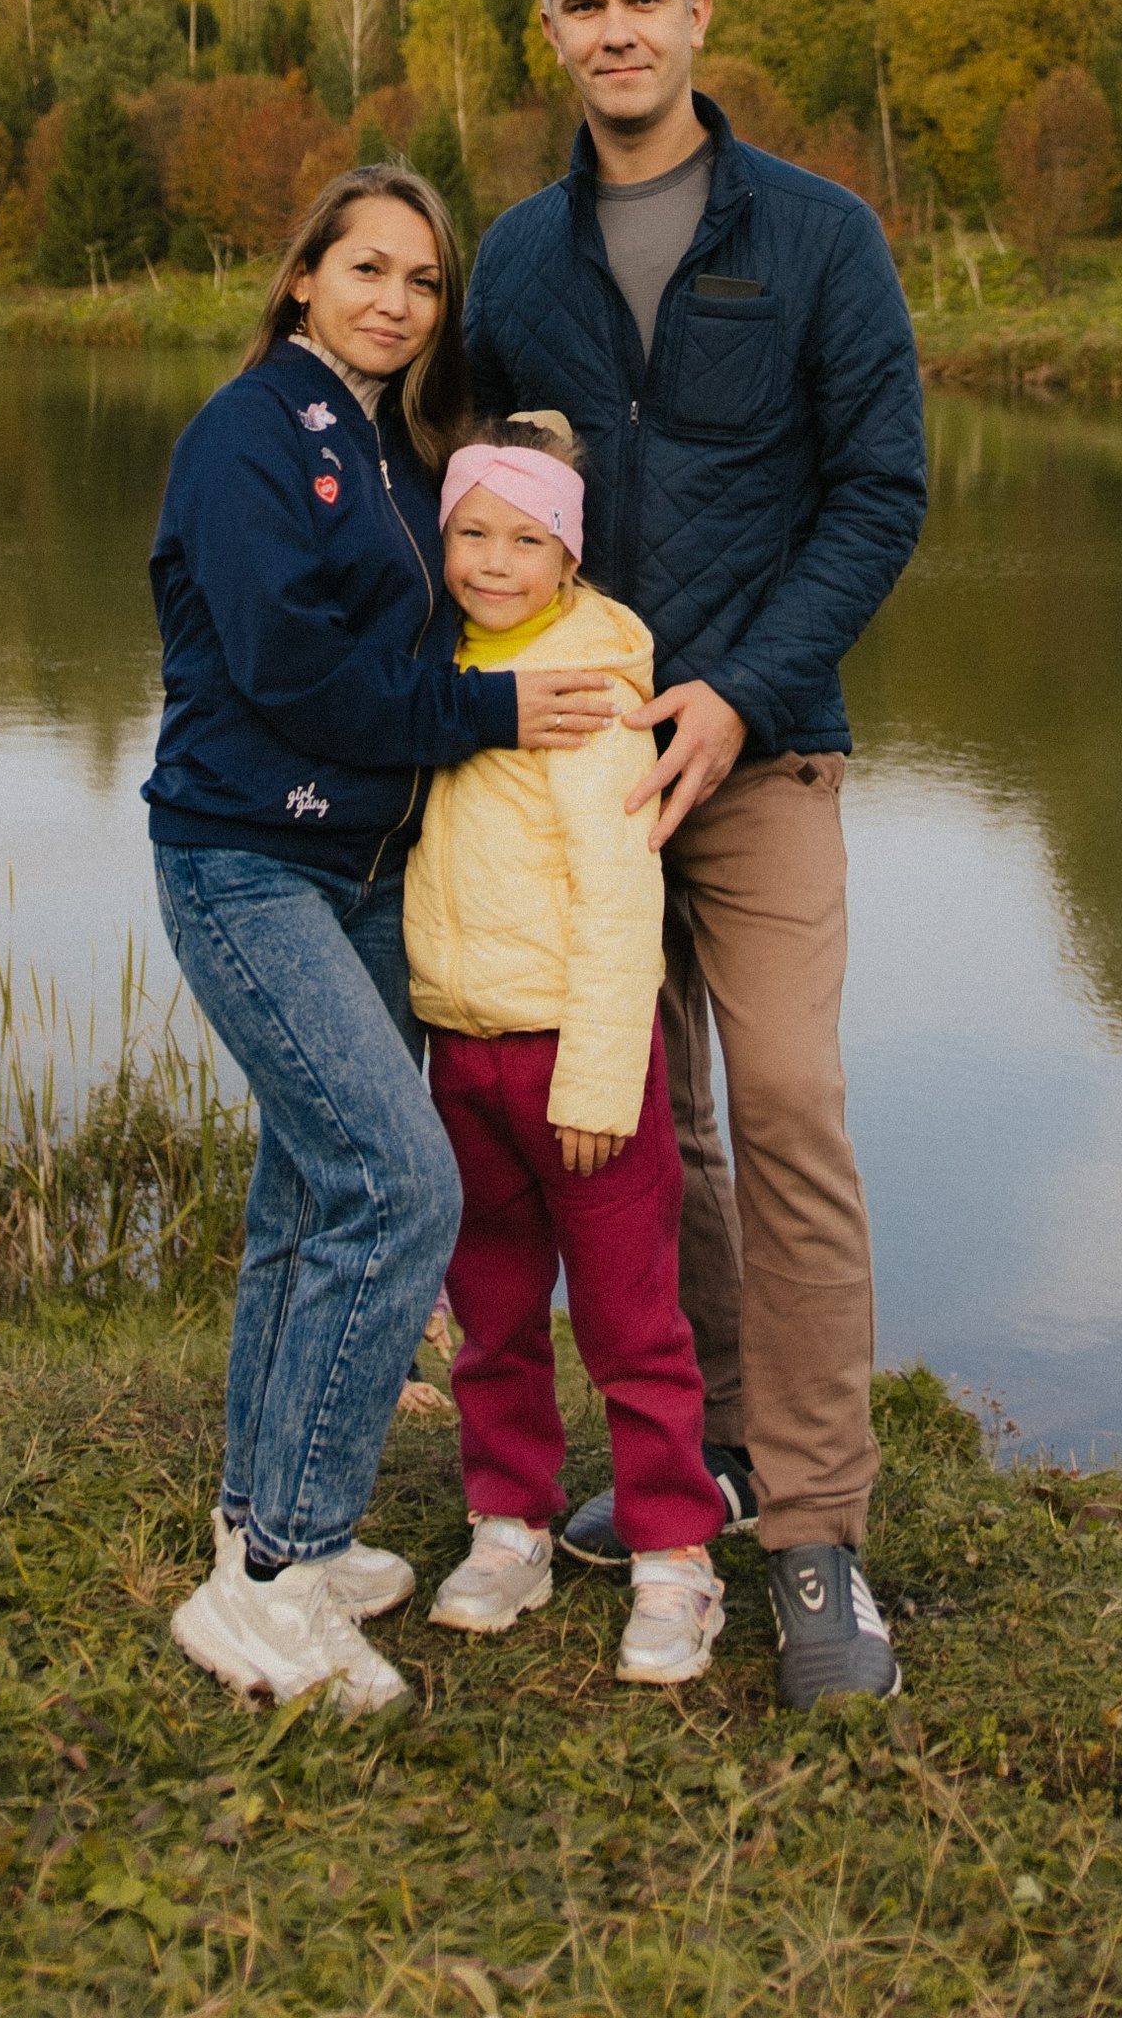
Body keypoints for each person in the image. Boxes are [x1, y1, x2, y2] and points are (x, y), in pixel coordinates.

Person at [465, 0, 929, 1707]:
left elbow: (880, 495)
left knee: (792, 1101)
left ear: (698, 15)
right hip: (569, 779)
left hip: (765, 747)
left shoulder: (819, 239)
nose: (615, 30)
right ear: (558, 33)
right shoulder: (512, 264)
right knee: (646, 1127)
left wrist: (735, 693)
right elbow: (485, 516)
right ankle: (720, 1448)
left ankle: (816, 1531)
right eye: (582, 6)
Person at [143, 165, 619, 1718]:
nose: (396, 300)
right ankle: (277, 1582)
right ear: (302, 280)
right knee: (398, 1183)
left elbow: (482, 583)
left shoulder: (389, 446)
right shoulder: (248, 437)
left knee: (304, 1197)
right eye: (367, 269)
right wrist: (491, 709)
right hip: (247, 863)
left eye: (423, 281)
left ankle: (255, 1527)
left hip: (357, 876)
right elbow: (289, 669)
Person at [405, 411, 727, 1688]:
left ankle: (673, 1556)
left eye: (523, 540)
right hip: (463, 1053)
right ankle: (509, 1523)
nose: (492, 561)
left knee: (630, 1321)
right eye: (471, 533)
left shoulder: (591, 689)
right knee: (491, 1316)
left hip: (579, 1066)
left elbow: (623, 894)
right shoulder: (444, 671)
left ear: (568, 558)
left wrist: (600, 1069)